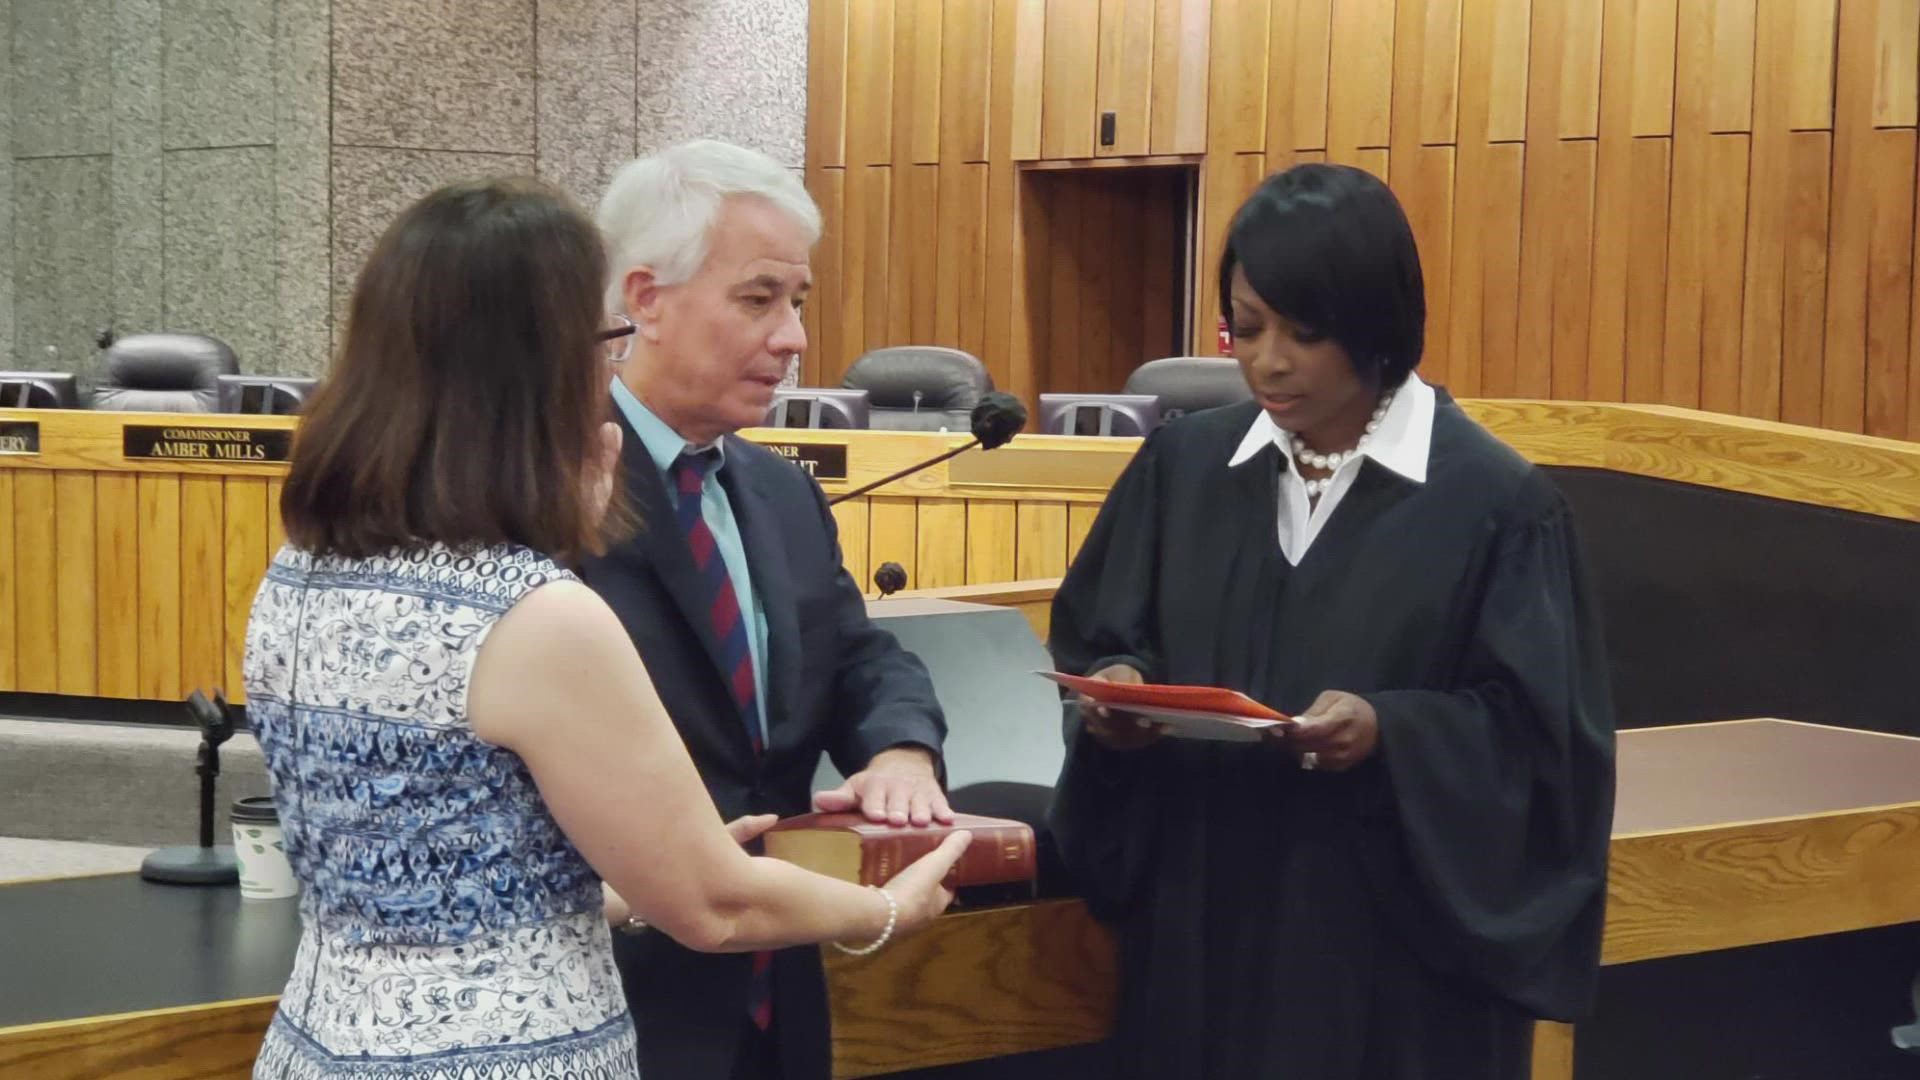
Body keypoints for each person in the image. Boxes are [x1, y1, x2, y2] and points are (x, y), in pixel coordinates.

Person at [242, 177, 967, 1080]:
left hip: (329, 1042)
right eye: (598, 344)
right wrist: (886, 910)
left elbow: (453, 858)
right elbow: (713, 907)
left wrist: (628, 882)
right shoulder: (534, 608)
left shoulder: (299, 573)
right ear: (537, 369)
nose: (605, 372)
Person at [1045, 163, 1616, 1079]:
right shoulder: (1182, 470)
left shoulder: (1497, 506)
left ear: (1376, 325)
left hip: (1392, 972)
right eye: (1248, 325)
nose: (1267, 361)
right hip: (1199, 935)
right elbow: (1104, 633)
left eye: (1306, 333)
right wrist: (1111, 696)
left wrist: (1392, 731)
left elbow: (1542, 755)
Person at [578, 140, 953, 1080]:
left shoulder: (780, 493)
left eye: (798, 302)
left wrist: (900, 747)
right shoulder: (554, 497)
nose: (793, 338)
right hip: (617, 1000)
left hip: (778, 999)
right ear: (647, 300)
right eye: (759, 299)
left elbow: (857, 656)